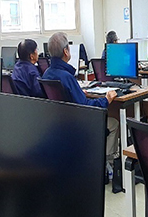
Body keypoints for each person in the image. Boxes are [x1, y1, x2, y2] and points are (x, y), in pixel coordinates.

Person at [43, 32, 120, 169]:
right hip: (78, 123)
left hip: (59, 123)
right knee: (113, 123)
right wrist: (106, 100)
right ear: (66, 51)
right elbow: (85, 107)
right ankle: (104, 164)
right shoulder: (66, 77)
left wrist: (79, 93)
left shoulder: (47, 73)